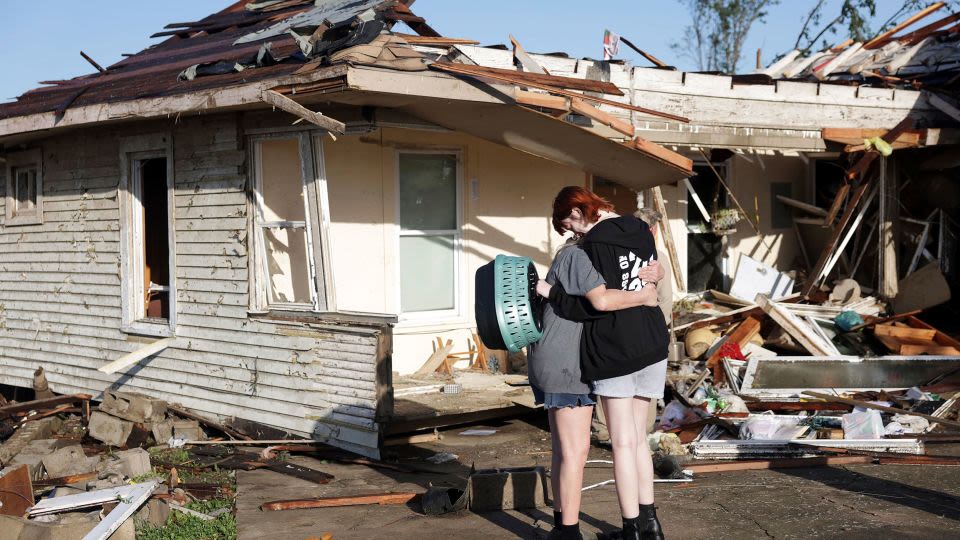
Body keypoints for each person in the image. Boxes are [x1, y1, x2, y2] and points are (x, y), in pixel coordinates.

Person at [542, 187, 670, 540]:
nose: (571, 231)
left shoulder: (590, 248)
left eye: (569, 221)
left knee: (623, 442)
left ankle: (630, 529)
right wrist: (651, 283)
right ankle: (651, 525)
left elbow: (596, 303)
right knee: (640, 439)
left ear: (580, 209)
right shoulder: (641, 229)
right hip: (653, 341)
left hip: (617, 347)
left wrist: (549, 292)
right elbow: (651, 273)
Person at [594, 208, 674, 442]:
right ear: (651, 230)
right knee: (642, 396)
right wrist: (660, 329)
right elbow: (665, 301)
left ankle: (604, 430)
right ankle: (640, 433)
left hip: (614, 331)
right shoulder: (656, 257)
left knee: (611, 390)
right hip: (647, 333)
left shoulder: (607, 252)